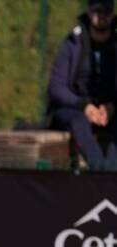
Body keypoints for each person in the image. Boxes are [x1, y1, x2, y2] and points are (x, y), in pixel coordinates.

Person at [47, 0, 117, 170]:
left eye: (106, 12)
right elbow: (56, 87)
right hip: (76, 108)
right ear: (89, 12)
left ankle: (112, 169)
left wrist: (111, 107)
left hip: (110, 109)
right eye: (97, 11)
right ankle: (99, 168)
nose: (101, 17)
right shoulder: (73, 41)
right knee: (78, 121)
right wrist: (84, 106)